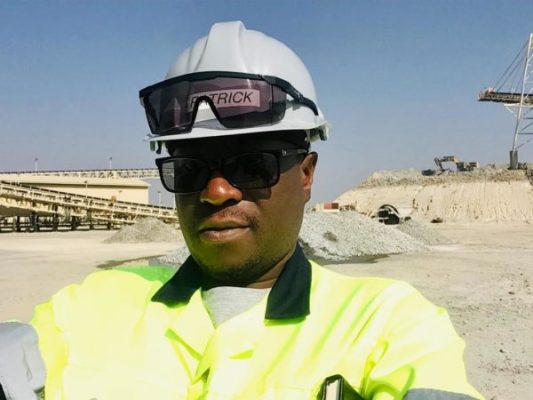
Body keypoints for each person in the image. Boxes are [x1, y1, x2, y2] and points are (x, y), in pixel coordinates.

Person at [0, 21, 484, 400]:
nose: (215, 192)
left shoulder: (387, 323)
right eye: (189, 169)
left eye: (252, 165)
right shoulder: (92, 305)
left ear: (307, 174)